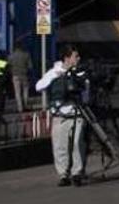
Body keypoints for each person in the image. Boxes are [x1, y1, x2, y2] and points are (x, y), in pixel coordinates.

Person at [36, 46, 87, 187]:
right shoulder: (54, 72)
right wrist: (55, 77)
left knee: (77, 143)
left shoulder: (80, 73)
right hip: (59, 115)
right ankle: (63, 174)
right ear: (67, 58)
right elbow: (39, 86)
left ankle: (77, 173)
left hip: (77, 113)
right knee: (60, 146)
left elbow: (86, 92)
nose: (78, 59)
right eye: (75, 56)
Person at [8, 44, 32, 112]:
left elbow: (9, 67)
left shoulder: (10, 56)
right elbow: (30, 66)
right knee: (25, 91)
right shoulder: (26, 55)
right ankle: (26, 106)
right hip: (24, 75)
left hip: (15, 75)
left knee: (17, 92)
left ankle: (20, 108)